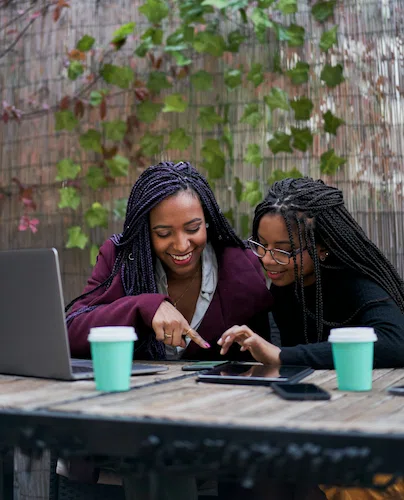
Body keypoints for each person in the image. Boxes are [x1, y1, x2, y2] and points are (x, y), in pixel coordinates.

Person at [66, 160, 272, 362]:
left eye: (193, 229)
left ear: (207, 220)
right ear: (146, 231)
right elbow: (71, 330)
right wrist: (142, 307)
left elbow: (265, 350)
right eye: (164, 233)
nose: (182, 245)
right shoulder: (120, 259)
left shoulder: (241, 265)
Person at [218, 177, 404, 369]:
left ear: (323, 247)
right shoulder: (285, 284)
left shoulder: (357, 281)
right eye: (262, 245)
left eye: (284, 251)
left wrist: (282, 356)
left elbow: (395, 344)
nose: (266, 259)